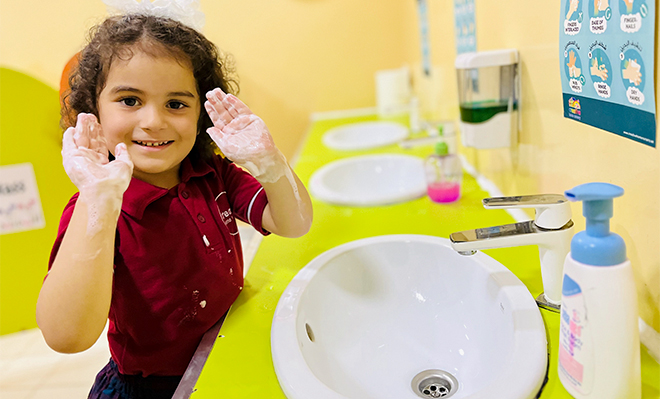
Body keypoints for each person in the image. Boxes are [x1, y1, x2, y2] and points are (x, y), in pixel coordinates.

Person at [35, 11, 312, 399]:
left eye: (177, 104)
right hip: (148, 387)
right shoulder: (97, 209)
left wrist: (269, 161)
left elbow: (294, 222)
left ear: (201, 113)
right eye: (130, 100)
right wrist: (99, 201)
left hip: (223, 353)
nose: (154, 121)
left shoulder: (212, 174)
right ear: (94, 111)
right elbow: (66, 337)